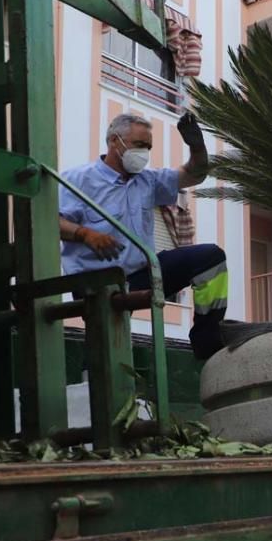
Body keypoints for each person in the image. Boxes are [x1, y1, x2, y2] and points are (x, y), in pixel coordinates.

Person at [59, 112, 226, 359]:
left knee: (211, 258)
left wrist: (197, 146)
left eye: (148, 147)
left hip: (142, 275)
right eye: (139, 145)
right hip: (97, 283)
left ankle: (207, 344)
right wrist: (85, 234)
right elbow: (53, 221)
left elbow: (195, 173)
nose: (144, 153)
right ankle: (93, 382)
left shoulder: (148, 181)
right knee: (106, 351)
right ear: (115, 141)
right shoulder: (78, 180)